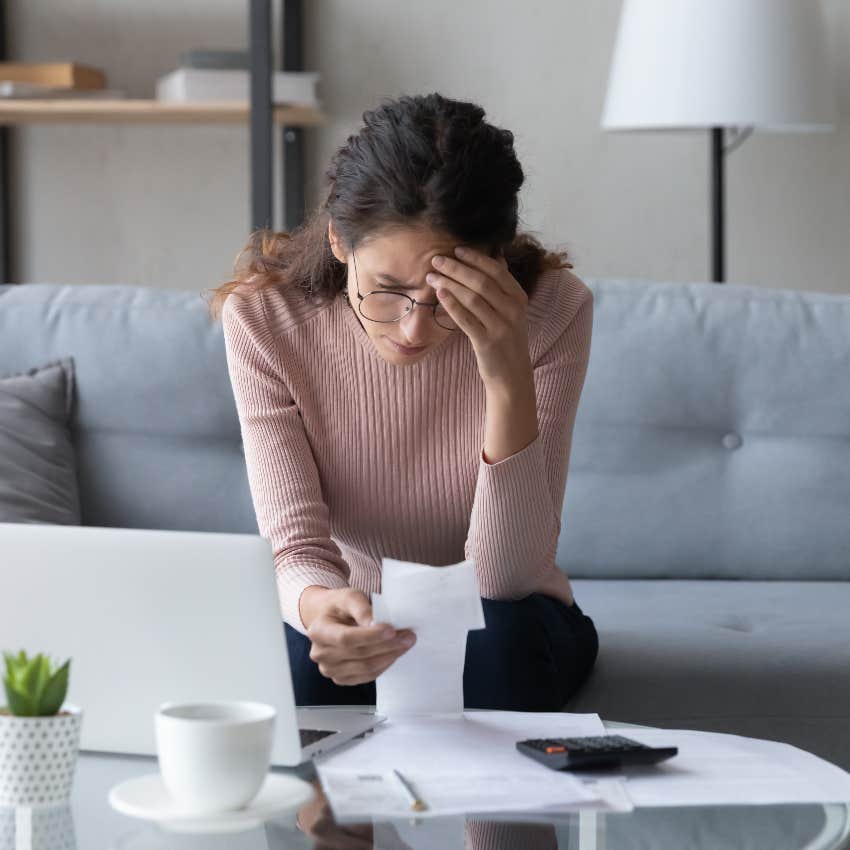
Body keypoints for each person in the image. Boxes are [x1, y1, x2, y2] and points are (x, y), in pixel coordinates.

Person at [209, 92, 598, 711]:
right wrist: (319, 608)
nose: (414, 330)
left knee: (495, 646)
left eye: (446, 295)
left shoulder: (551, 311)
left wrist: (505, 372)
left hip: (508, 618)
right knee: (301, 676)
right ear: (340, 242)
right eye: (387, 291)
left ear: (495, 261)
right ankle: (325, 811)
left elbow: (507, 576)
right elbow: (296, 549)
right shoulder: (266, 319)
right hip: (356, 604)